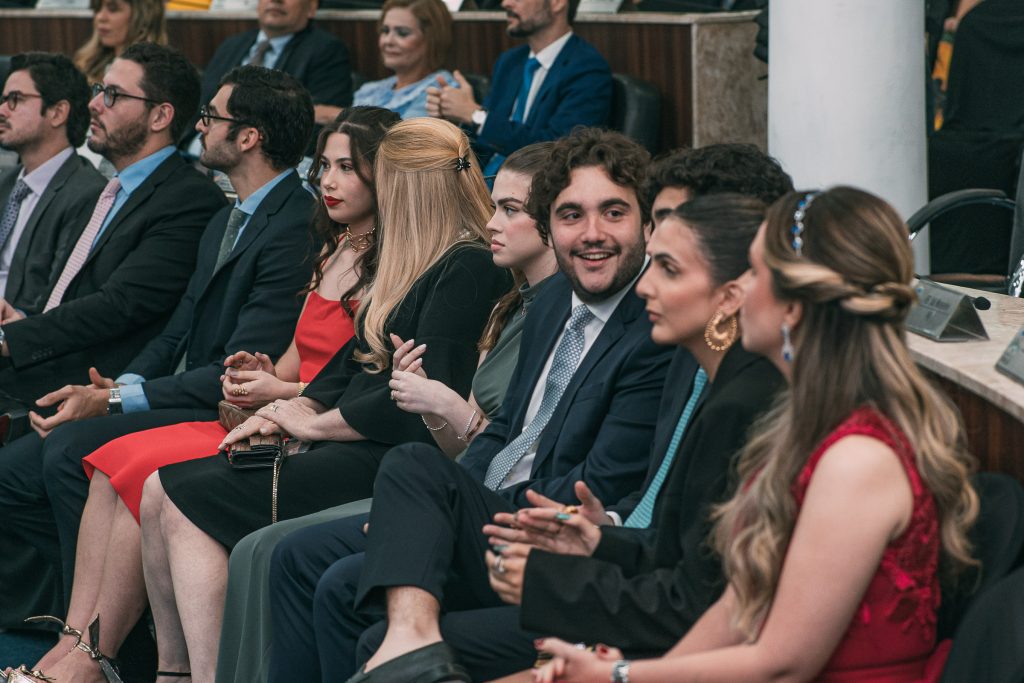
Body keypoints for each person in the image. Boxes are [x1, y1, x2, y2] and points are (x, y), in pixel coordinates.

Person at [266, 127, 674, 683]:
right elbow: (505, 426)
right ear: (551, 227)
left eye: (614, 213)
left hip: (551, 532)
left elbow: (599, 482)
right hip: (487, 503)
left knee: (392, 498)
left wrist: (455, 512)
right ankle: (410, 641)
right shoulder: (553, 298)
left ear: (647, 225)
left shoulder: (652, 332)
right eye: (572, 215)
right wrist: (445, 509)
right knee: (297, 561)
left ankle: (412, 642)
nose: (592, 234)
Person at [533, 186, 980, 683]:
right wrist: (625, 671)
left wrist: (617, 677)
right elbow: (736, 605)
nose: (741, 288)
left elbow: (783, 663)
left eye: (756, 271)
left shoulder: (858, 460)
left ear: (793, 307)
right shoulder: (801, 425)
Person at [138, 117, 510, 682]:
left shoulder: (465, 265)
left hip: (395, 458)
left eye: (381, 179)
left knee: (180, 493)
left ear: (405, 188)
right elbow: (347, 367)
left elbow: (415, 399)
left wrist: (312, 425)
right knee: (161, 491)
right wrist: (283, 412)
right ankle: (175, 672)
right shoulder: (420, 259)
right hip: (368, 441)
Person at [0, 65, 321, 683]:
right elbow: (178, 329)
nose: (202, 127)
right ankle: (75, 640)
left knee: (72, 452)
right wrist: (110, 391)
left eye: (214, 118)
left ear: (249, 136)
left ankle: (107, 653)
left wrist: (118, 402)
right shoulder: (233, 212)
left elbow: (234, 366)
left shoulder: (290, 225)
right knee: (50, 453)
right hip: (190, 387)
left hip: (232, 404)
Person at [212, 140, 557, 683]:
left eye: (510, 210)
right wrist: (290, 402)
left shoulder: (477, 271)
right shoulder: (514, 301)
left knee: (287, 548)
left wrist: (437, 410)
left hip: (473, 491)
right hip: (454, 479)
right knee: (276, 549)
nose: (493, 221)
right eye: (494, 205)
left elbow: (504, 444)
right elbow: (359, 376)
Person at [0, 41, 225, 628]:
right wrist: (21, 326)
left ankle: (101, 632)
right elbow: (72, 292)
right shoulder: (112, 186)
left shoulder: (186, 197)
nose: (95, 104)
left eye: (113, 94)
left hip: (104, 374)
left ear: (160, 115)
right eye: (99, 91)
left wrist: (15, 343)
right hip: (60, 359)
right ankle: (59, 612)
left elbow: (124, 305)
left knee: (34, 470)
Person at [426, 0, 612, 176]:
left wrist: (475, 115)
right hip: (483, 184)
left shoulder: (587, 69)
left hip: (535, 191)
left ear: (557, 3)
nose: (505, 3)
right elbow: (482, 145)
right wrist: (452, 121)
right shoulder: (510, 62)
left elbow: (559, 150)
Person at [0, 53, 105, 314]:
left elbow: (57, 301)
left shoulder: (88, 194)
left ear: (57, 112)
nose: (2, 111)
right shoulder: (6, 182)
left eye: (15, 100)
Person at [181, 0, 353, 154]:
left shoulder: (326, 51)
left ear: (312, 7)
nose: (275, 0)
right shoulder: (231, 45)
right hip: (194, 150)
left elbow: (313, 125)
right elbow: (200, 103)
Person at [315, 0, 456, 123]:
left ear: (431, 39)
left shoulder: (442, 88)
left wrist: (337, 116)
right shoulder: (371, 90)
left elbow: (404, 139)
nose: (388, 41)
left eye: (402, 33)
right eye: (385, 31)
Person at [73, 0, 167, 85]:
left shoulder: (156, 77)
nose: (100, 17)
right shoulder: (83, 66)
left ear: (144, 15)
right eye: (97, 8)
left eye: (113, 9)